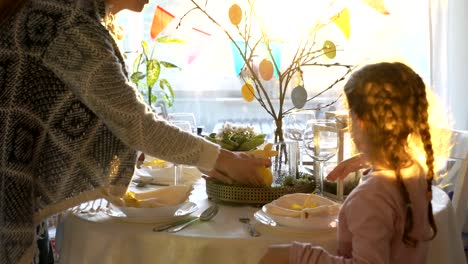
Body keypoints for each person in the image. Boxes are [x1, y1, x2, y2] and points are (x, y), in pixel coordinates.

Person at [0, 0, 270, 262]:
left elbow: (97, 111)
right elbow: (136, 123)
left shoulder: (66, 13)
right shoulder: (70, 26)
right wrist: (224, 159)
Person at [259, 62, 438, 264]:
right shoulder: (413, 169)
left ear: (361, 121)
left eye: (350, 113)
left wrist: (297, 255)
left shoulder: (370, 197)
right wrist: (365, 159)